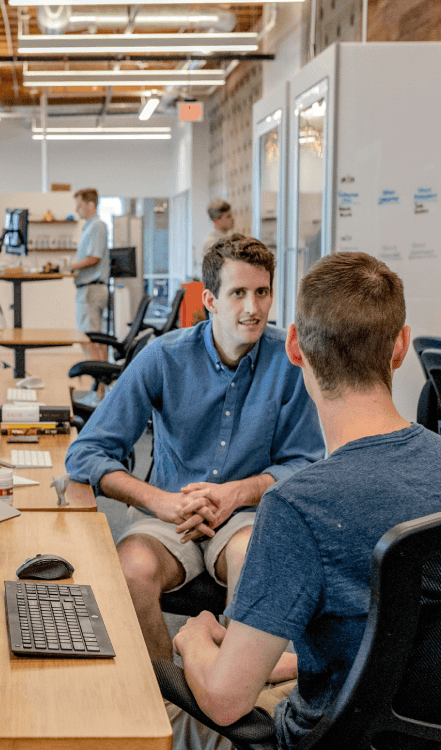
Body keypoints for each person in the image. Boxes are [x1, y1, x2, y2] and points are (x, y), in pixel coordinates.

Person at [169, 252, 441, 750]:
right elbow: (405, 633)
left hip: (331, 738)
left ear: (294, 347)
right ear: (400, 346)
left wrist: (192, 638)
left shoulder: (298, 506)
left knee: (161, 721)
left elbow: (225, 700)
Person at [65, 234, 325, 663]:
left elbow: (307, 463)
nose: (253, 308)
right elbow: (86, 452)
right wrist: (159, 502)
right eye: (238, 293)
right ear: (210, 299)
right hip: (170, 513)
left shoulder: (291, 361)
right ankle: (166, 694)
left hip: (246, 515)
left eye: (262, 293)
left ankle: (229, 693)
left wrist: (236, 494)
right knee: (131, 572)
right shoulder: (163, 358)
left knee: (253, 562)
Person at [72, 187, 109, 359]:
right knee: (88, 338)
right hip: (86, 290)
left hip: (92, 290)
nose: (76, 210)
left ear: (91, 204)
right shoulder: (88, 228)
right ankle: (98, 382)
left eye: (79, 205)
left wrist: (72, 266)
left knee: (92, 339)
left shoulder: (97, 226)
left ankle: (99, 384)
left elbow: (94, 258)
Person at [196, 200, 234, 278]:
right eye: (228, 216)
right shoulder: (211, 243)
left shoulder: (233, 238)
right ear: (216, 220)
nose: (233, 218)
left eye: (232, 215)